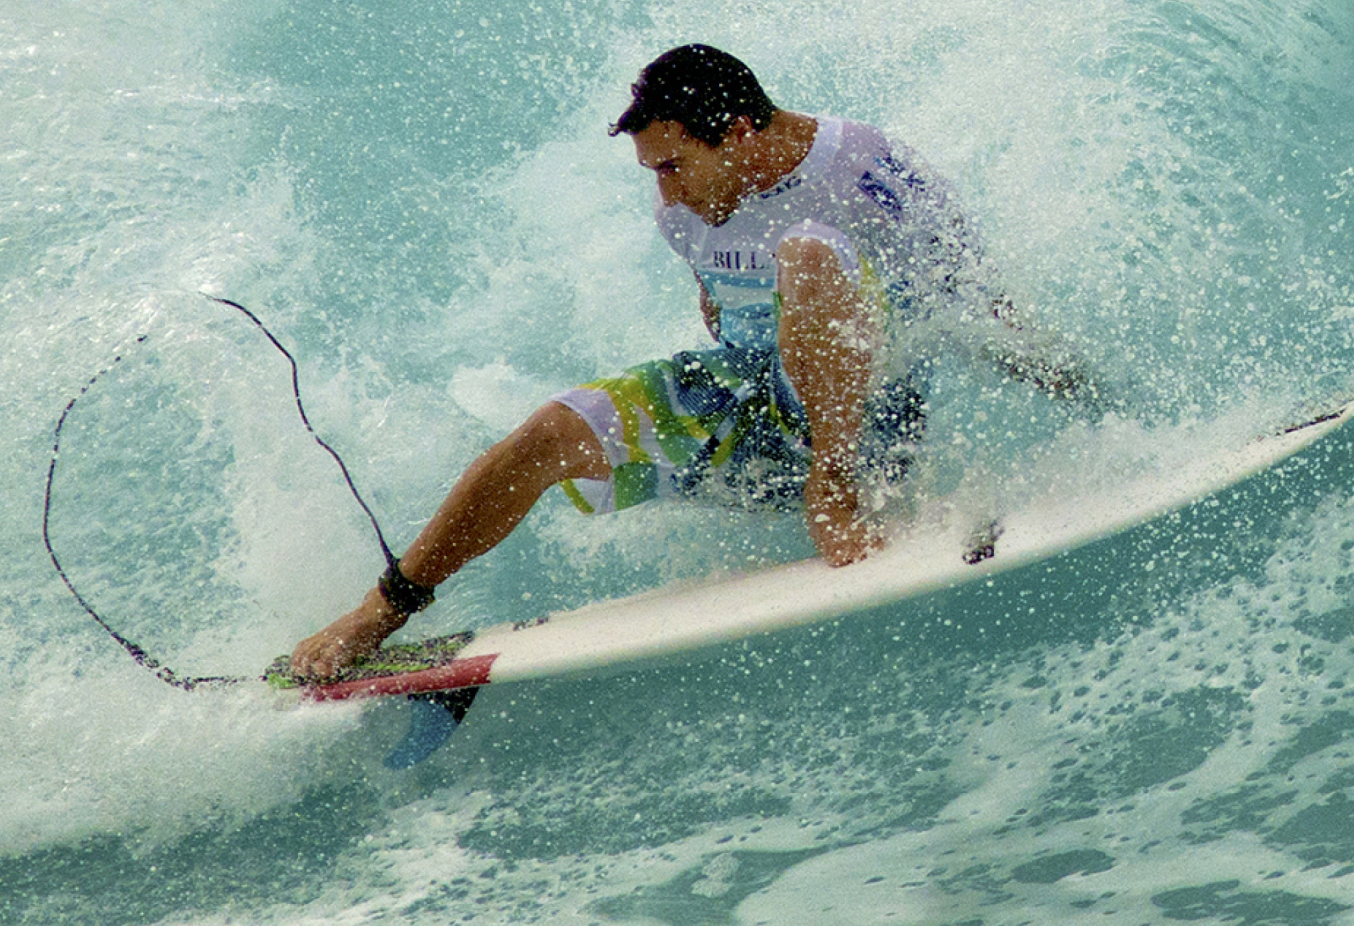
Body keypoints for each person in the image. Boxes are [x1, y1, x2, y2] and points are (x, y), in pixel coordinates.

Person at [291, 44, 1092, 682]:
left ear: (741, 130)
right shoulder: (682, 205)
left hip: (873, 428)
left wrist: (1089, 395)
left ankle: (835, 488)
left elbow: (982, 305)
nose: (665, 196)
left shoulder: (863, 169)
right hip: (763, 412)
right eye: (653, 174)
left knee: (808, 255)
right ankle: (381, 611)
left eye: (673, 167)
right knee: (550, 432)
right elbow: (719, 313)